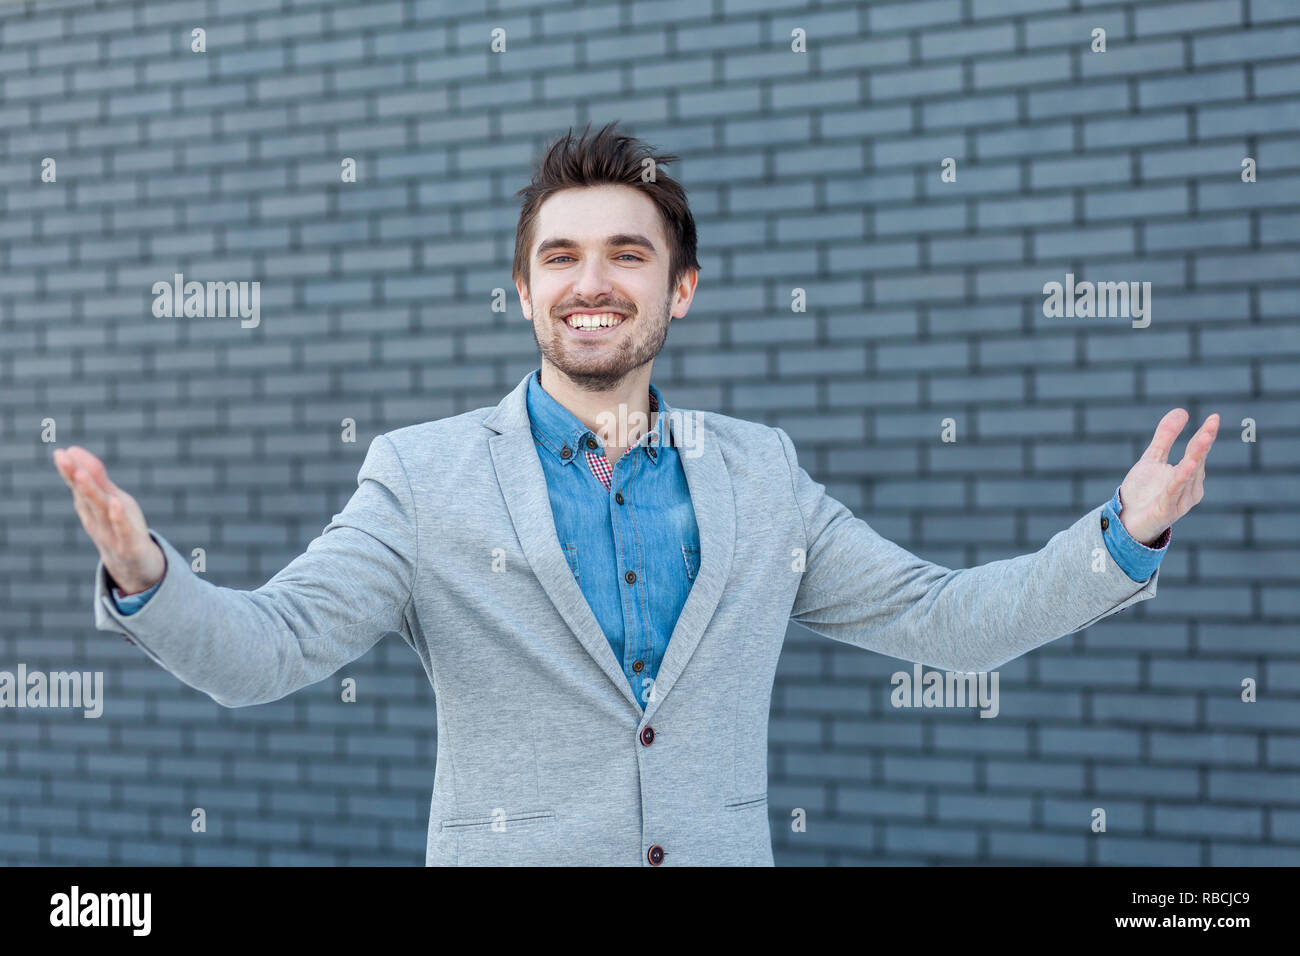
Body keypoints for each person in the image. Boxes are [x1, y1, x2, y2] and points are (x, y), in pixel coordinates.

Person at [55, 121, 1220, 866]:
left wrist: (1123, 535)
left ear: (683, 289)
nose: (592, 282)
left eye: (628, 252)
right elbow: (268, 649)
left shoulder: (760, 471)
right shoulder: (421, 473)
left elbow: (942, 619)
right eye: (559, 256)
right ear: (522, 292)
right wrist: (147, 574)